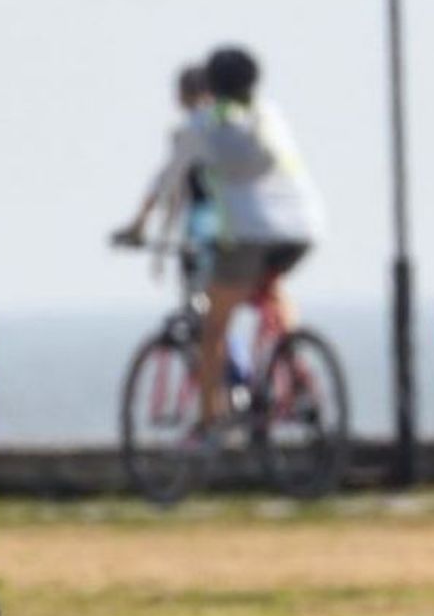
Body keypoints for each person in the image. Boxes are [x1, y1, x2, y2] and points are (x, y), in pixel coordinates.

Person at [130, 45, 323, 437]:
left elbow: (166, 180)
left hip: (250, 233)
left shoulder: (203, 125)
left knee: (214, 326)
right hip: (303, 228)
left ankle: (209, 419)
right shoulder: (270, 114)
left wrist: (137, 227)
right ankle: (293, 360)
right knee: (271, 289)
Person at [113, 66, 217, 291]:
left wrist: (140, 227)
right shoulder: (239, 125)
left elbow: (168, 185)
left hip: (205, 223)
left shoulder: (190, 130)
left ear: (184, 93)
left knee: (198, 290)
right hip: (246, 225)